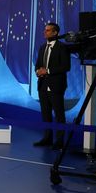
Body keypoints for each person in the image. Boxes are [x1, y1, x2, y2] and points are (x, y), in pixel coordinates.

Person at [34, 22, 71, 150]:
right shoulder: (42, 47)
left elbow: (66, 67)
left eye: (48, 30)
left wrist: (47, 71)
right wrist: (38, 72)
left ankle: (60, 141)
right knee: (46, 114)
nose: (45, 32)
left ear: (55, 33)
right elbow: (38, 64)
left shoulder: (62, 47)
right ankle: (47, 138)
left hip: (56, 86)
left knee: (59, 114)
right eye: (45, 30)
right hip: (43, 85)